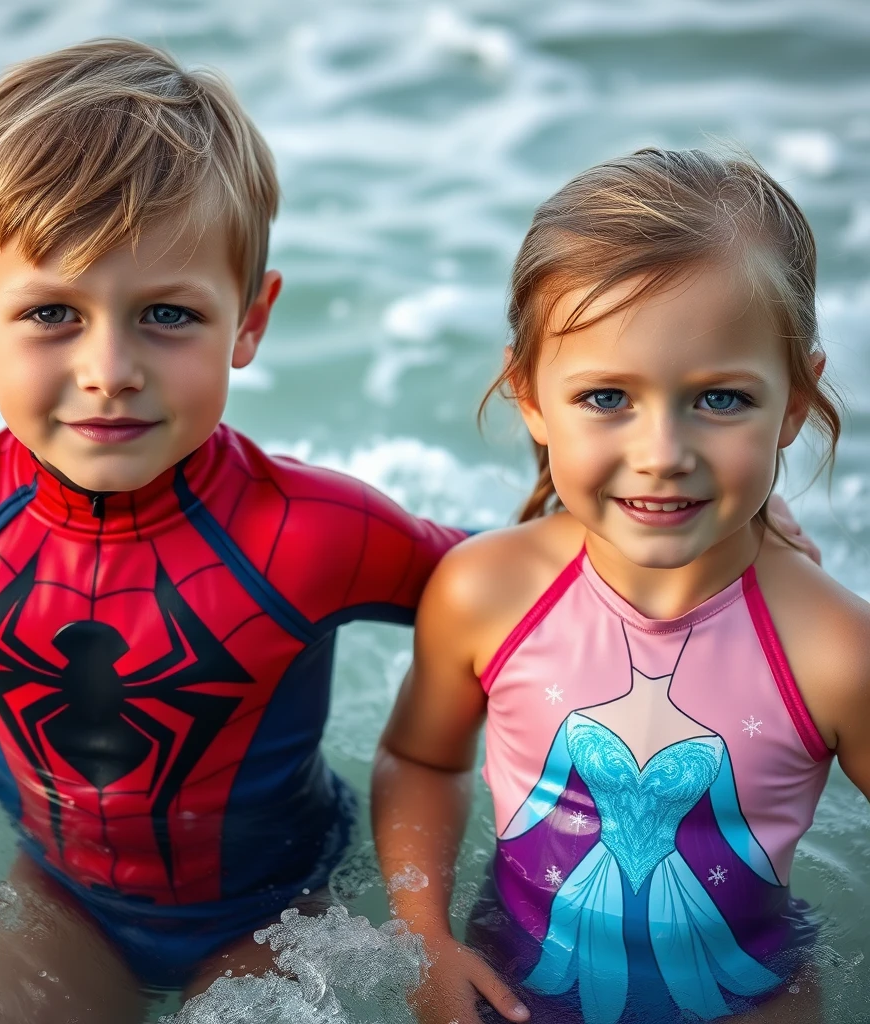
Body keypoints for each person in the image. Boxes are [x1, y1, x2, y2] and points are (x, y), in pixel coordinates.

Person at [0, 39, 471, 1020]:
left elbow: (510, 583)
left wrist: (697, 536)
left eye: (167, 315)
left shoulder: (313, 533)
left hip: (281, 907)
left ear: (249, 321)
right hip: (62, 898)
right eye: (52, 311)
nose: (110, 368)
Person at [371, 147, 869, 1024]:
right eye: (607, 398)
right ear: (530, 395)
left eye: (720, 400)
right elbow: (419, 759)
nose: (661, 453)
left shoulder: (831, 648)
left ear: (795, 400)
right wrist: (424, 938)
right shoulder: (488, 592)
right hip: (512, 993)